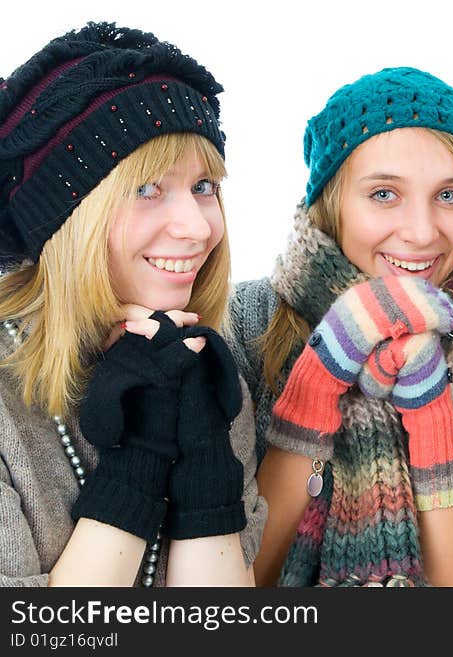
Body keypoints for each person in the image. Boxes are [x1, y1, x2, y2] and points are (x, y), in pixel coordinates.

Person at [229, 66, 453, 587]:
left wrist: (430, 415)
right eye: (383, 194)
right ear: (331, 204)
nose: (421, 233)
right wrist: (316, 387)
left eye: (450, 196)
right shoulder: (248, 319)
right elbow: (227, 585)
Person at [0, 22, 265, 586]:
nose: (197, 227)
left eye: (204, 187)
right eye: (148, 189)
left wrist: (197, 439)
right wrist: (138, 456)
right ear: (68, 218)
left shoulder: (204, 371)